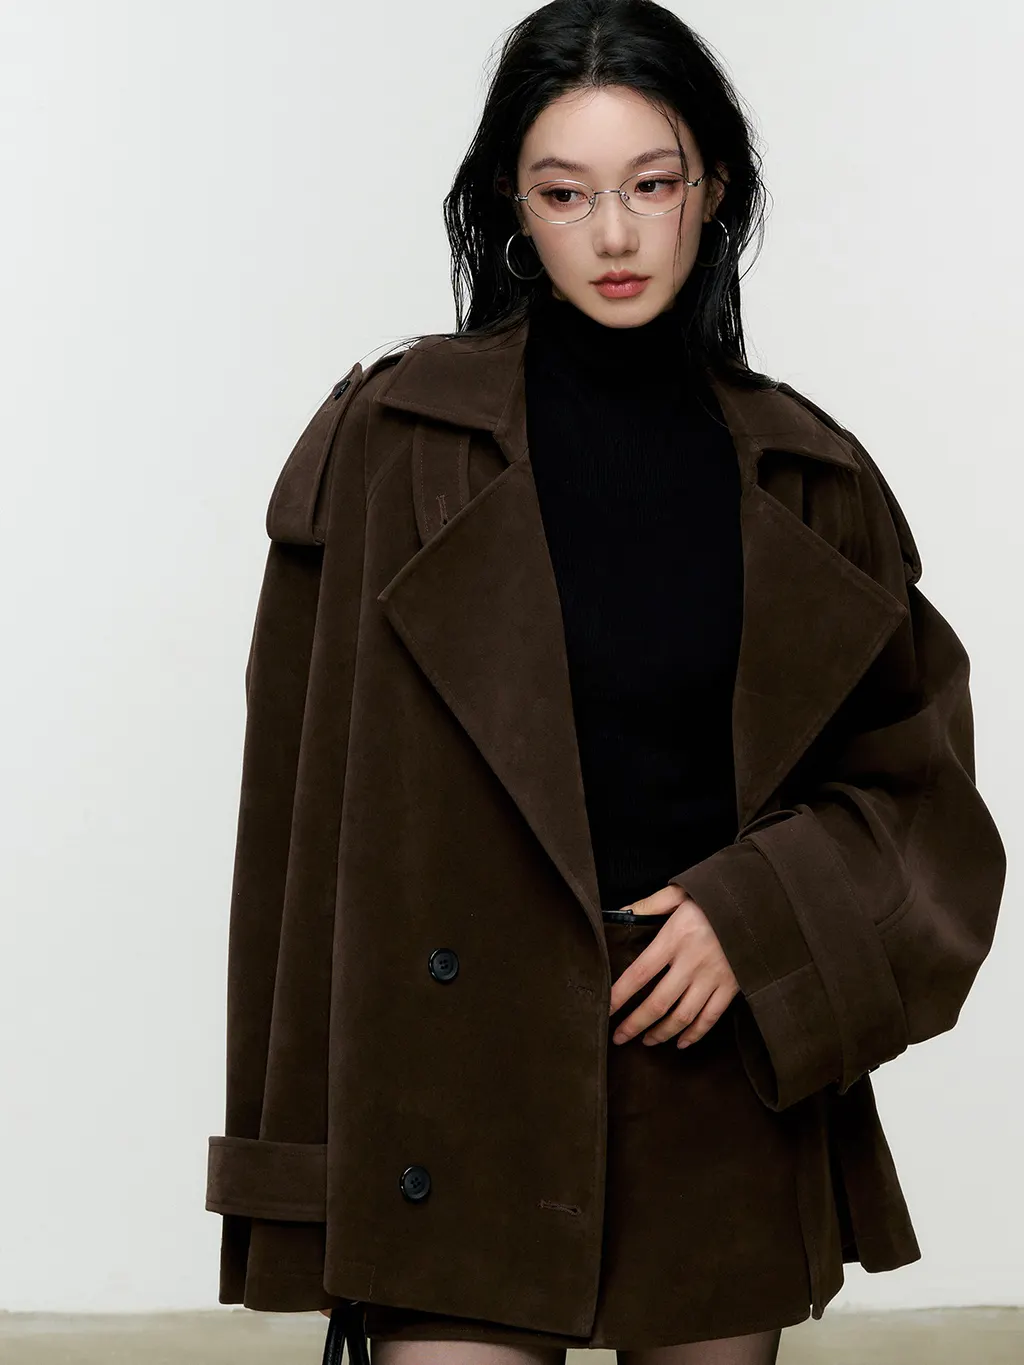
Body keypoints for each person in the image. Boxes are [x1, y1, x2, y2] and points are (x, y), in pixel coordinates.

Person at [205, 3, 1006, 1364]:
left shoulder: (809, 478)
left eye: (652, 183)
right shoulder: (394, 442)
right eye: (567, 193)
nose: (617, 234)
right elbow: (295, 828)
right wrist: (301, 1174)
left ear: (714, 191)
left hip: (711, 1073)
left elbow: (921, 801)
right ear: (512, 209)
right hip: (454, 1090)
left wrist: (756, 919)